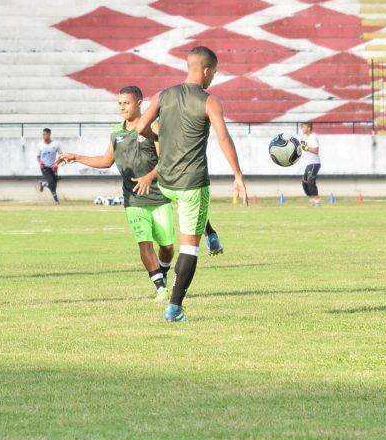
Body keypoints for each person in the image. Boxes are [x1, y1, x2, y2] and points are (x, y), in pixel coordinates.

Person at [135, 46, 248, 322]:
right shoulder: (209, 101)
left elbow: (140, 129)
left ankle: (209, 232)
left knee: (191, 213)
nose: (213, 78)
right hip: (191, 183)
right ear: (207, 70)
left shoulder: (163, 95)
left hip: (167, 182)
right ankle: (174, 308)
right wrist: (238, 175)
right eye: (215, 73)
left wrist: (160, 135)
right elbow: (223, 138)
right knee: (189, 248)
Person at [58, 85, 176, 301]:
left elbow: (167, 160)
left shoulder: (154, 127)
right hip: (133, 198)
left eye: (126, 103)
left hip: (160, 196)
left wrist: (149, 177)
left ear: (139, 102)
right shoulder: (116, 132)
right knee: (144, 241)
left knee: (167, 247)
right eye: (119, 103)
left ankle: (163, 272)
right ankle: (160, 287)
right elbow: (105, 161)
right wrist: (76, 157)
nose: (122, 107)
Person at [37, 127, 61, 203]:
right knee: (51, 182)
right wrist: (40, 162)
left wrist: (56, 163)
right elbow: (38, 156)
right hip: (44, 167)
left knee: (54, 185)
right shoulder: (40, 145)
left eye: (45, 134)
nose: (44, 136)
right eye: (43, 134)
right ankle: (56, 201)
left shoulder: (56, 144)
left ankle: (43, 184)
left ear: (49, 135)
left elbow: (61, 155)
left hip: (53, 167)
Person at [300, 122, 321, 206]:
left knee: (310, 181)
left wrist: (306, 148)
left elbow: (316, 151)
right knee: (304, 182)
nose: (302, 128)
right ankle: (312, 199)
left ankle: (317, 201)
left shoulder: (313, 137)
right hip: (309, 164)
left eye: (303, 127)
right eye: (301, 127)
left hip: (314, 163)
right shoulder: (306, 138)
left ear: (309, 128)